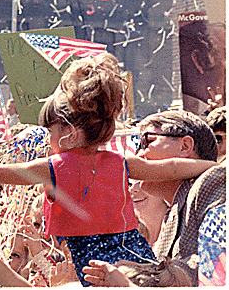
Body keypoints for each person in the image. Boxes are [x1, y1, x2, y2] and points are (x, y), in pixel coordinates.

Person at [0, 53, 218, 285]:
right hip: (136, 257)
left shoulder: (54, 167)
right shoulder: (121, 163)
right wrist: (216, 166)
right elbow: (171, 168)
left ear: (70, 133)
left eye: (51, 132)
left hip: (92, 266)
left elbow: (0, 173)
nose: (48, 139)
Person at [83, 110, 225, 286]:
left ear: (185, 146)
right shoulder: (173, 212)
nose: (139, 155)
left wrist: (135, 277)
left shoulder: (213, 180)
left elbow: (218, 266)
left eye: (147, 141)